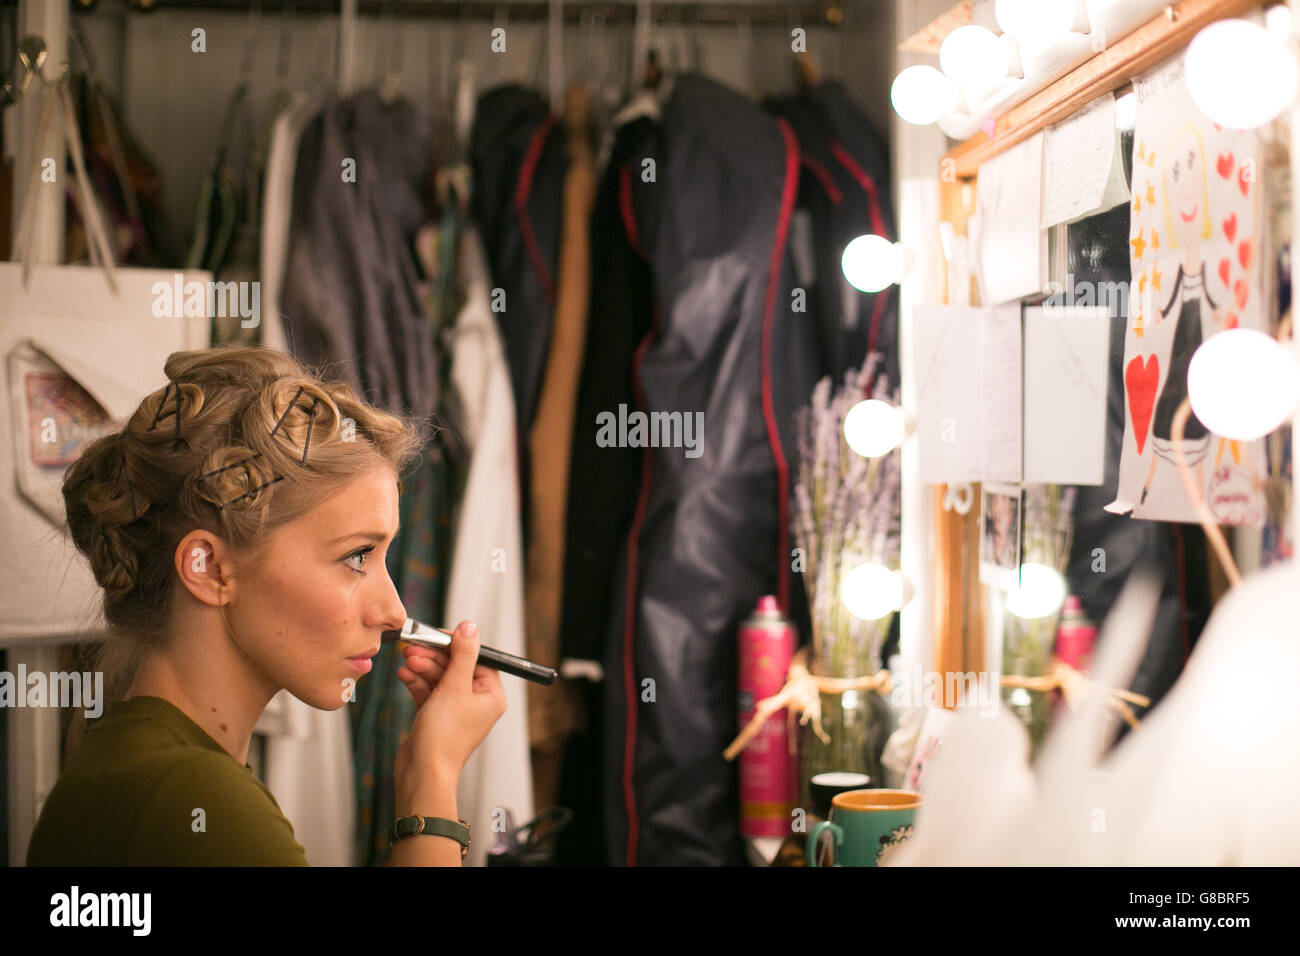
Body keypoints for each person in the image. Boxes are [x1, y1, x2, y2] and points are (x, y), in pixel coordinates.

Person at [25, 345, 506, 866]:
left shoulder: (145, 768)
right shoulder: (194, 796)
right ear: (208, 568)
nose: (392, 612)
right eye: (355, 556)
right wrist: (431, 776)